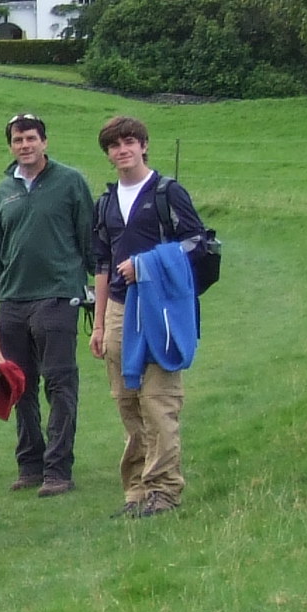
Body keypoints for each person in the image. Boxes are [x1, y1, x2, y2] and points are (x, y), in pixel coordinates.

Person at [88, 114, 210, 518]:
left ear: (143, 145)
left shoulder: (166, 192)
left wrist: (146, 266)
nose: (122, 150)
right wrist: (100, 324)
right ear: (108, 154)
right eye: (114, 145)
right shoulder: (104, 202)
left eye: (129, 142)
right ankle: (137, 490)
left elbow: (196, 243)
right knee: (127, 401)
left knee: (158, 400)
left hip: (160, 309)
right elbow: (102, 264)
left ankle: (165, 489)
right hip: (120, 310)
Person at [0, 111, 94, 495]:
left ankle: (58, 470)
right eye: (17, 140)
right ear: (11, 146)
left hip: (58, 294)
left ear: (44, 142)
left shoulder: (70, 182)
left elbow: (89, 237)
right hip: (13, 300)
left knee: (60, 383)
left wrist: (92, 287)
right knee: (19, 385)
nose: (25, 145)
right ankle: (30, 464)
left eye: (31, 138)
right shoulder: (4, 189)